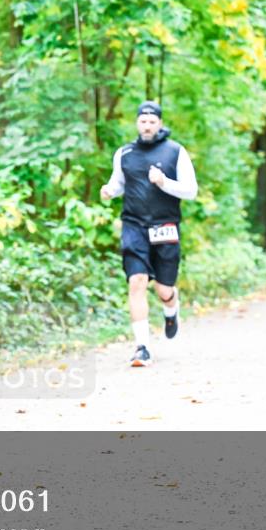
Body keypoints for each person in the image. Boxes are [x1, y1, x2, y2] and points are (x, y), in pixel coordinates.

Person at [100, 101, 198, 367]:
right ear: (137, 123)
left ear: (160, 124)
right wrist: (109, 190)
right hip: (134, 226)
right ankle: (141, 348)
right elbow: (118, 183)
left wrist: (164, 182)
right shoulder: (124, 153)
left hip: (165, 225)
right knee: (137, 281)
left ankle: (171, 307)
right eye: (143, 121)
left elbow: (191, 191)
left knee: (163, 289)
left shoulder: (175, 151)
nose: (147, 126)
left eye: (152, 122)